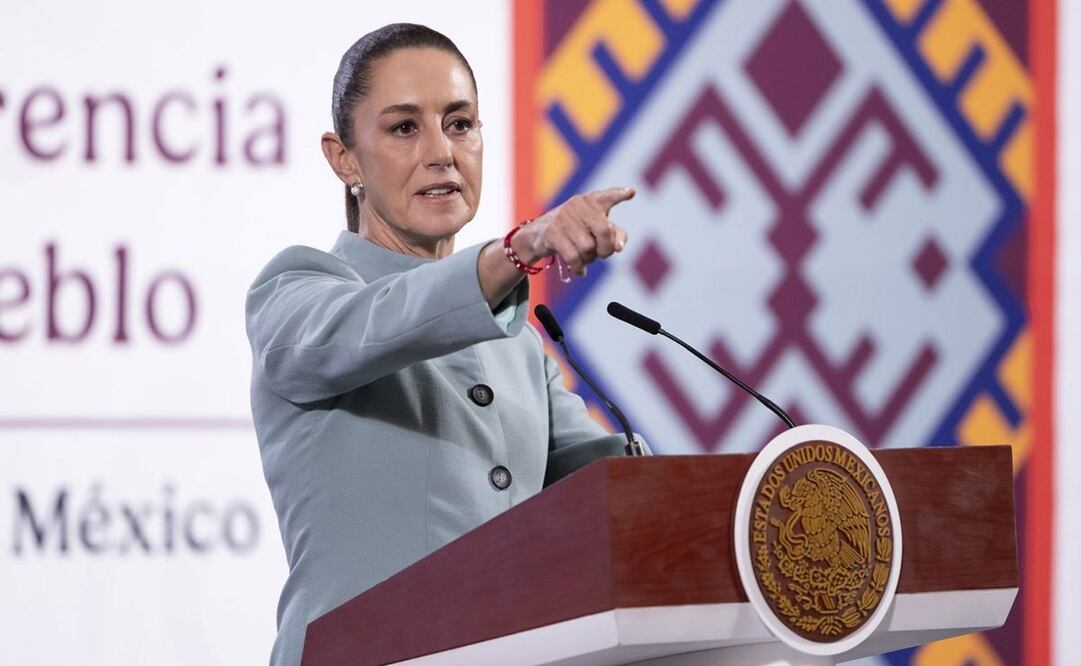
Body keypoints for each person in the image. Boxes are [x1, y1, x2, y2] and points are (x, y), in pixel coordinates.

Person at [245, 23, 638, 666]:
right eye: (404, 128)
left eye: (460, 124)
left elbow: (608, 497)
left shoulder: (518, 349)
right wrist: (520, 248)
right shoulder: (296, 294)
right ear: (344, 158)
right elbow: (383, 320)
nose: (442, 153)